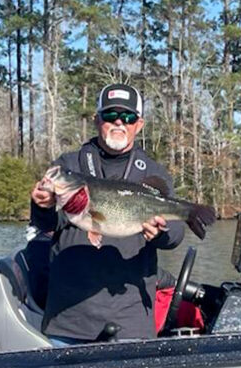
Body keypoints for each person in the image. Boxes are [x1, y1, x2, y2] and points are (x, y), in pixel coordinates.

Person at [30, 83, 185, 345]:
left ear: (139, 124)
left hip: (131, 322)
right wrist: (41, 205)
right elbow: (47, 223)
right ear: (97, 119)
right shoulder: (69, 166)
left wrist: (160, 233)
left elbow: (176, 235)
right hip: (69, 320)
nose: (119, 123)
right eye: (111, 115)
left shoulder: (152, 174)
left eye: (128, 117)